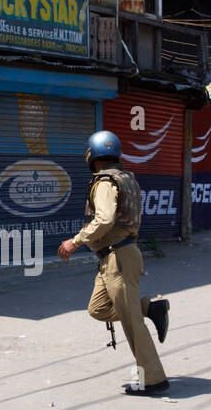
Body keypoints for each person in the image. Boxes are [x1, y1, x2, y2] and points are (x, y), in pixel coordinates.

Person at [58, 130, 170, 395]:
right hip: (113, 257)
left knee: (133, 324)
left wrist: (76, 241)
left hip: (118, 257)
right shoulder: (125, 178)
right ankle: (150, 308)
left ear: (92, 155)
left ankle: (153, 379)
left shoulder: (106, 183)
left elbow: (105, 219)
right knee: (98, 308)